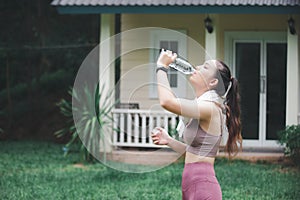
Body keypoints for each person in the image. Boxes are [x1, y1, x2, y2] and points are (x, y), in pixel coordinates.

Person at [151, 49, 242, 200]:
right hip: (192, 186)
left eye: (205, 67)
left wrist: (161, 67)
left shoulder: (210, 109)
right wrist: (168, 141)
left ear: (213, 82)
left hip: (204, 189)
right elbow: (193, 154)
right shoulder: (202, 108)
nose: (198, 67)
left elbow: (167, 102)